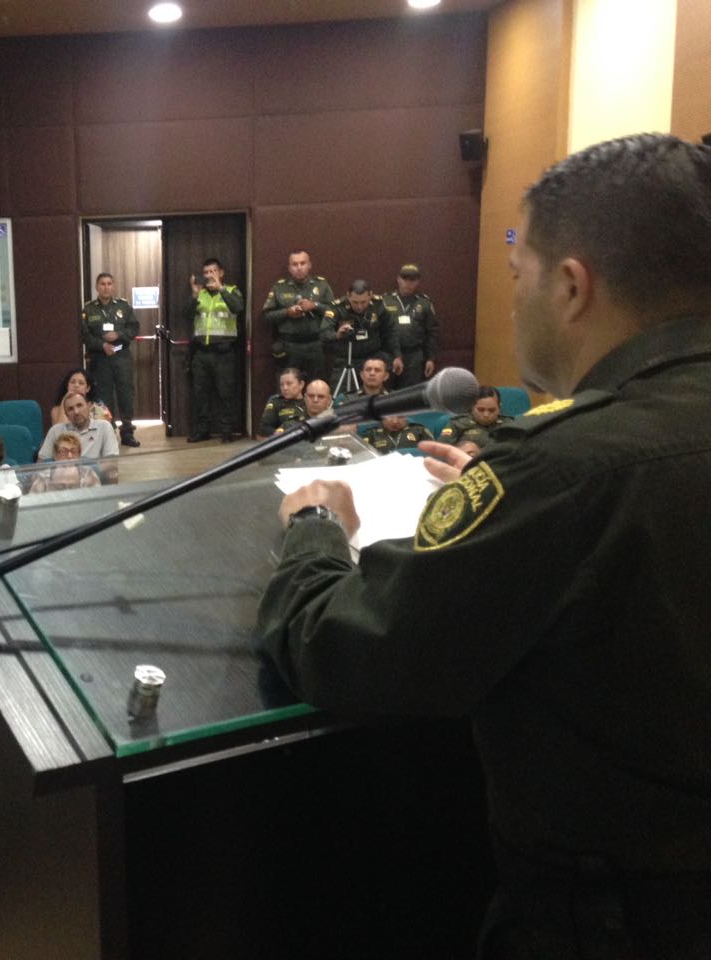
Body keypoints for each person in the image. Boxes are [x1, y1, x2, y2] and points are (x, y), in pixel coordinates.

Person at [255, 133, 711, 958]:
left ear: (573, 287)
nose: (513, 299)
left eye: (517, 274)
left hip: (608, 919)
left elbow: (346, 648)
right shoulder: (572, 471)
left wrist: (315, 529)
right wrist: (513, 496)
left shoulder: (564, 471)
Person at [185, 258, 244, 443]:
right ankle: (202, 430)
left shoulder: (232, 291)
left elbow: (238, 308)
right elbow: (186, 315)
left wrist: (221, 289)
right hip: (201, 352)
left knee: (225, 393)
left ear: (221, 273)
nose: (209, 275)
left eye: (213, 271)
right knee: (200, 394)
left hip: (224, 352)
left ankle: (226, 431)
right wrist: (194, 296)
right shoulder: (200, 294)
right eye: (206, 272)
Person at [81, 272, 141, 447]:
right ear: (96, 287)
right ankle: (107, 433)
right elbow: (85, 335)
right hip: (100, 359)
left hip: (121, 356)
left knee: (126, 395)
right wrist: (102, 346)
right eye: (102, 284)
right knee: (103, 396)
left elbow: (134, 328)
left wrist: (119, 334)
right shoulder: (89, 309)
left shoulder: (123, 306)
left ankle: (127, 433)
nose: (106, 287)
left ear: (113, 286)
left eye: (109, 284)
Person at [260, 249, 334, 380]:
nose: (299, 268)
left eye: (302, 263)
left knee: (317, 386)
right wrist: (287, 312)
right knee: (288, 387)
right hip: (289, 346)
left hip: (315, 345)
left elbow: (334, 312)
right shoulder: (279, 287)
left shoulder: (321, 285)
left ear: (309, 265)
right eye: (295, 264)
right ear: (289, 268)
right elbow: (267, 316)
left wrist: (315, 306)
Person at [321, 281, 400, 396]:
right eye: (355, 302)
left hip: (373, 357)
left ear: (370, 295)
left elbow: (391, 331)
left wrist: (397, 355)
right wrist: (337, 335)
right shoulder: (337, 307)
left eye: (363, 302)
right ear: (348, 295)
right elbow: (324, 333)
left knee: (379, 396)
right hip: (346, 359)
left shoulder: (379, 304)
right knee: (340, 397)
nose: (359, 306)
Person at [382, 264, 439, 387]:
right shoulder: (385, 300)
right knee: (386, 393)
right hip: (389, 354)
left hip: (414, 355)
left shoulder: (424, 302)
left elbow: (432, 332)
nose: (408, 283)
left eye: (412, 280)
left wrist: (431, 358)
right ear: (398, 279)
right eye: (405, 279)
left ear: (418, 281)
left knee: (410, 392)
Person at [38, 393, 119, 462]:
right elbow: (41, 463)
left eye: (79, 405)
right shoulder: (56, 431)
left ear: (89, 407)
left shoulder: (104, 427)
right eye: (70, 409)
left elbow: (111, 466)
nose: (76, 412)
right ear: (67, 415)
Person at [438, 386, 513, 449]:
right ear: (472, 407)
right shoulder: (457, 424)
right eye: (481, 410)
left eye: (491, 410)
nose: (486, 414)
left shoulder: (510, 425)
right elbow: (441, 449)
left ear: (499, 408)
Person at [28, 433, 101, 494]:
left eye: (73, 451)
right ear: (56, 456)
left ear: (79, 455)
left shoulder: (88, 473)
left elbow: (98, 501)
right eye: (63, 451)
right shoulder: (43, 476)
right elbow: (33, 501)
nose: (69, 456)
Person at [257, 368, 307, 437]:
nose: (285, 388)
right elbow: (264, 428)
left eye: (289, 384)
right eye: (282, 385)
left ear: (301, 384)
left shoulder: (309, 401)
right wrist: (278, 433)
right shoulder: (276, 402)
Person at [363, 415, 433, 454]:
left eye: (400, 417)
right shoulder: (372, 434)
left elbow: (432, 453)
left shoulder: (419, 430)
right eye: (390, 416)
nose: (395, 421)